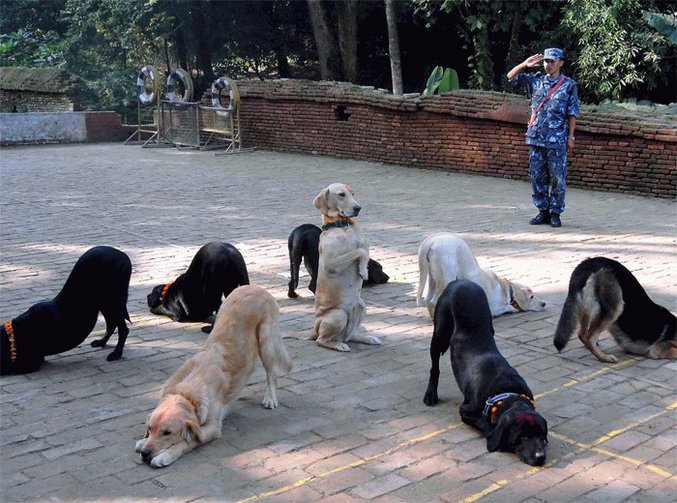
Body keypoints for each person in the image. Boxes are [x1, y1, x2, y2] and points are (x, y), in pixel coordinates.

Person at [507, 48, 579, 228]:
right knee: (537, 176)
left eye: (552, 61)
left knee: (557, 178)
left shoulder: (568, 85)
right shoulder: (536, 81)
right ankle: (542, 211)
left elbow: (572, 113)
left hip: (557, 139)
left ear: (561, 63)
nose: (548, 64)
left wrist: (571, 136)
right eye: (546, 61)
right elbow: (510, 77)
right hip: (536, 137)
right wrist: (525, 64)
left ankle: (555, 213)